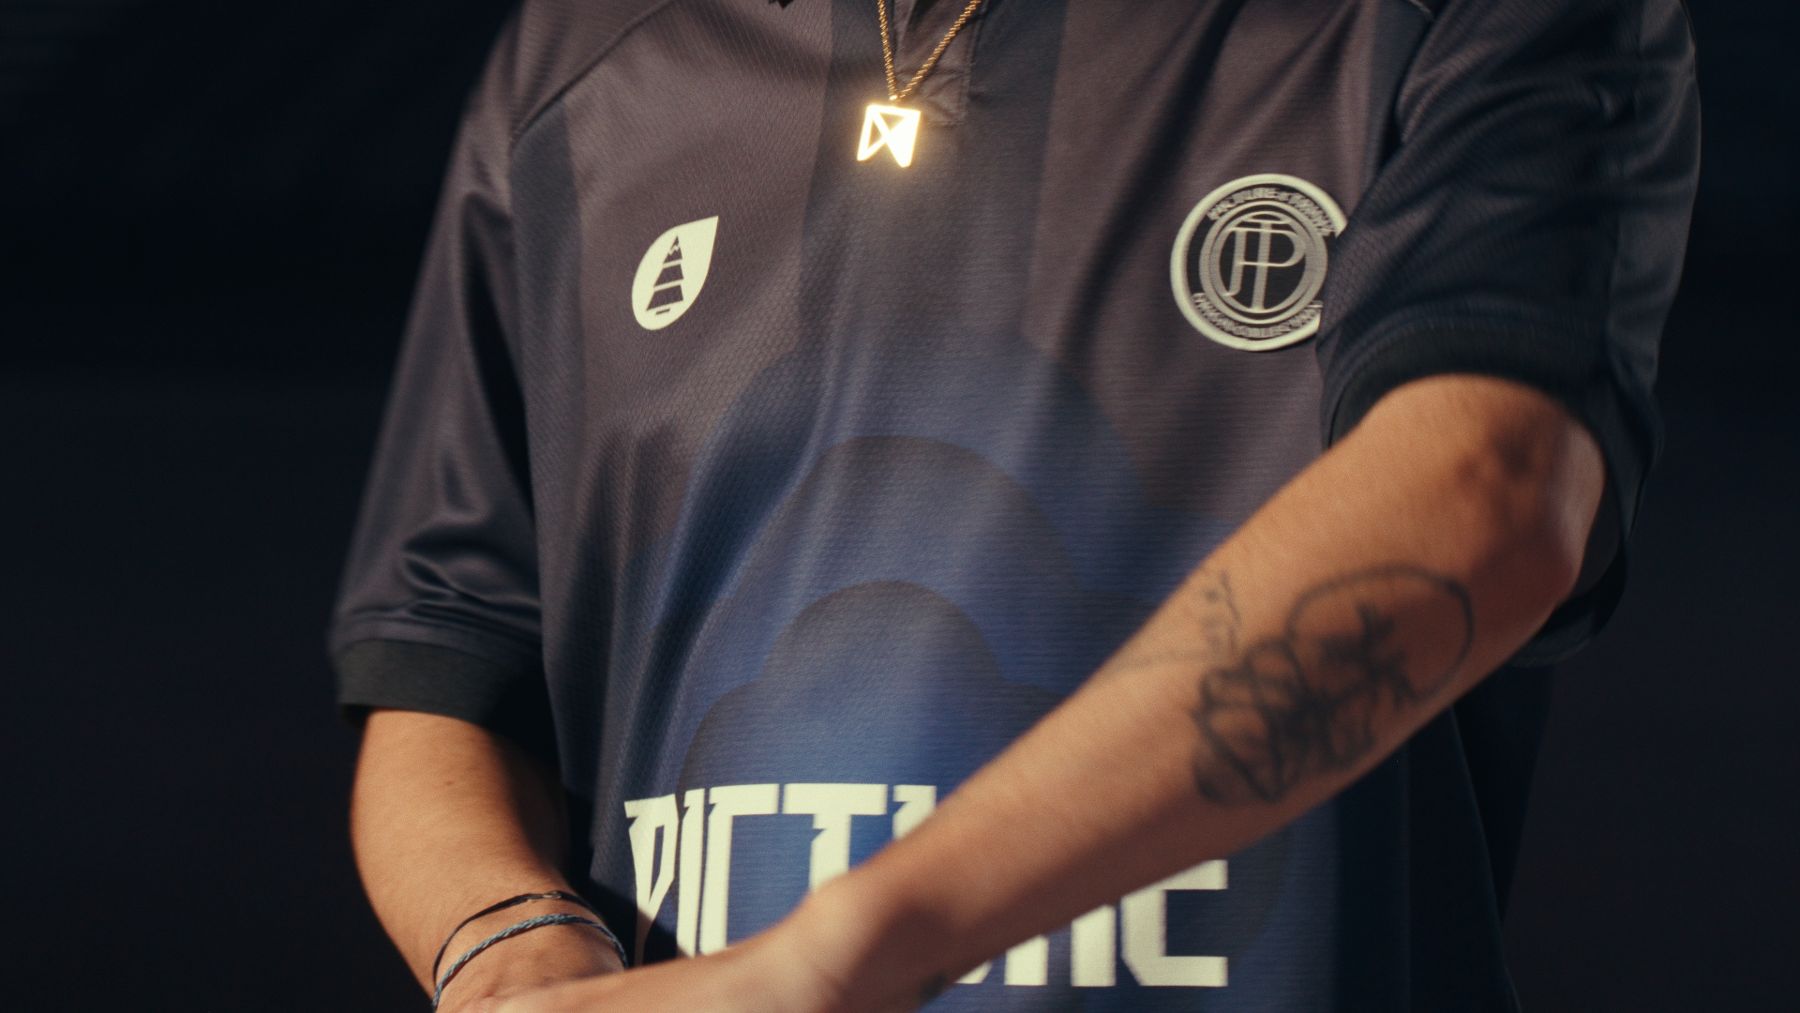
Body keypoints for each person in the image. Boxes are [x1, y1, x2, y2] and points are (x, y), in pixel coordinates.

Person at [328, 0, 1700, 1009]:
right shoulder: (577, 59)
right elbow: (451, 658)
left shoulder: (1464, 19)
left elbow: (1487, 495)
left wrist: (844, 953)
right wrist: (508, 949)